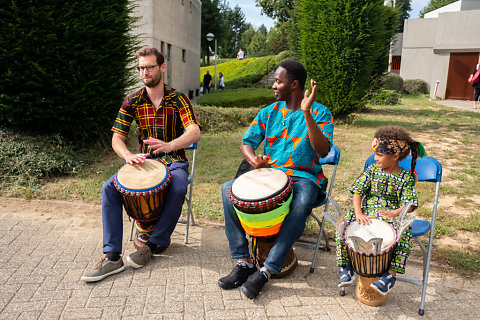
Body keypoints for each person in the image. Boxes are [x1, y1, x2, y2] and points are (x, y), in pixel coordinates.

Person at [81, 47, 201, 282]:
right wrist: (127, 156)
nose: (145, 72)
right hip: (144, 162)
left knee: (177, 187)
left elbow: (194, 131)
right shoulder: (133, 100)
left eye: (149, 67)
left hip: (174, 160)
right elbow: (117, 137)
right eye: (141, 68)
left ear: (162, 67)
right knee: (109, 188)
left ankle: (153, 245)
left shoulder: (178, 99)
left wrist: (169, 145)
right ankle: (112, 256)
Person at [218, 60, 334, 299]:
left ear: (294, 84)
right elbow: (246, 142)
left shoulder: (320, 112)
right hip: (270, 174)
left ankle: (267, 270)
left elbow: (322, 151)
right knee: (227, 189)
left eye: (278, 81)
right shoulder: (268, 112)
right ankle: (243, 261)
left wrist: (306, 112)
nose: (274, 86)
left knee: (301, 203)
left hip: (304, 176)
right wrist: (254, 162)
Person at [336, 126, 425, 295]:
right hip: (366, 211)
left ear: (395, 156)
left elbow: (410, 203)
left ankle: (390, 276)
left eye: (380, 155)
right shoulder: (371, 171)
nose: (375, 158)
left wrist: (395, 213)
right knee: (341, 225)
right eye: (375, 154)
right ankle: (345, 268)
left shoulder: (405, 177)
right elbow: (357, 191)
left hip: (390, 214)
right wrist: (358, 212)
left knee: (404, 233)